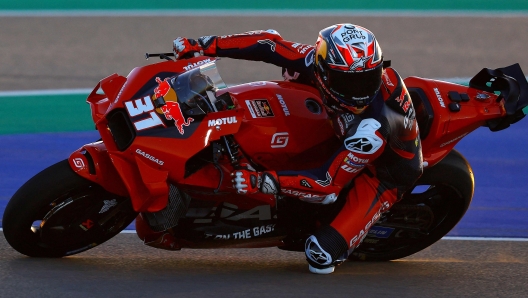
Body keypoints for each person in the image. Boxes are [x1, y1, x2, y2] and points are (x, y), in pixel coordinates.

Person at [173, 24, 423, 274]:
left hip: (382, 174)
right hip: (335, 124)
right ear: (323, 68)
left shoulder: (370, 132)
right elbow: (268, 44)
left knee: (320, 256)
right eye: (350, 82)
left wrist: (263, 181)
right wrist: (203, 45)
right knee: (291, 74)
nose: (362, 93)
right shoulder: (315, 61)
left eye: (369, 79)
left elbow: (327, 186)